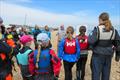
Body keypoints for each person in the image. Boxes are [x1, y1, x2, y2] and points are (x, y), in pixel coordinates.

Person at [88, 12, 120, 80]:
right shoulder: (114, 30)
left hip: (97, 55)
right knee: (106, 74)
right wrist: (118, 55)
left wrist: (91, 34)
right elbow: (118, 44)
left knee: (96, 74)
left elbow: (90, 41)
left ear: (100, 19)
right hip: (108, 54)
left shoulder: (97, 29)